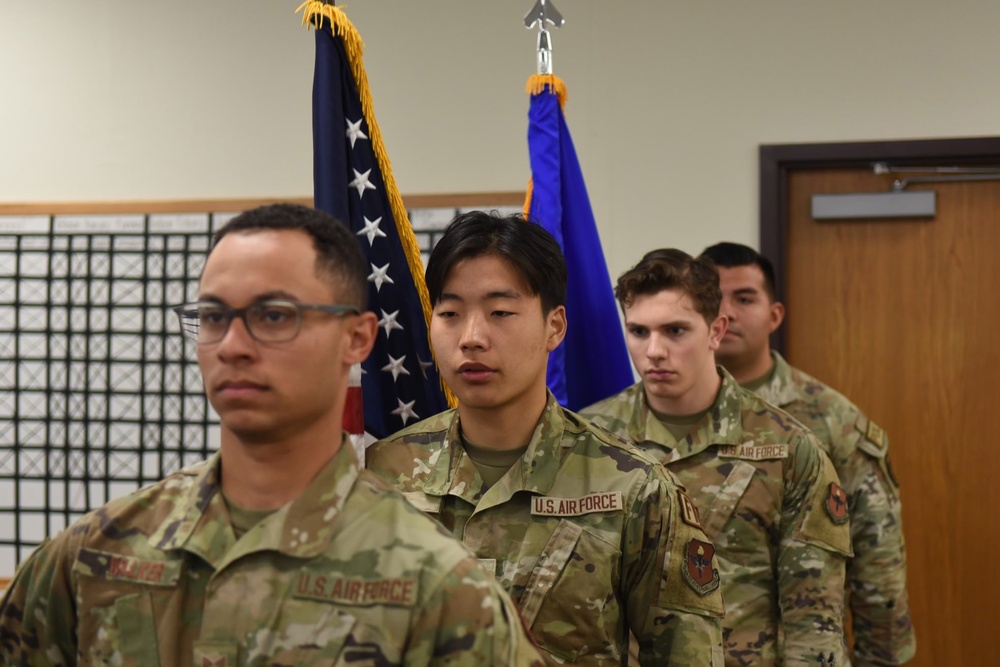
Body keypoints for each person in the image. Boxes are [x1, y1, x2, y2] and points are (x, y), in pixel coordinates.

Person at [0, 203, 546, 666]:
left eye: (274, 316)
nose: (233, 345)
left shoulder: (438, 585)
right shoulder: (94, 554)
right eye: (213, 317)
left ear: (357, 339)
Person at [366, 211, 725, 667]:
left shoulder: (634, 487)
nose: (471, 338)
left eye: (500, 313)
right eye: (451, 313)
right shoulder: (380, 473)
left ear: (554, 326)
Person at [581, 248, 852, 666]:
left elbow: (813, 619)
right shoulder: (590, 440)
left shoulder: (788, 448)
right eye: (638, 331)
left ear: (715, 330)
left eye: (675, 330)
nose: (653, 351)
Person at [700, 241, 915, 667]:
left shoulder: (831, 420)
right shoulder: (653, 414)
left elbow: (878, 561)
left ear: (774, 315)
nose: (726, 312)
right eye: (712, 298)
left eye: (744, 299)